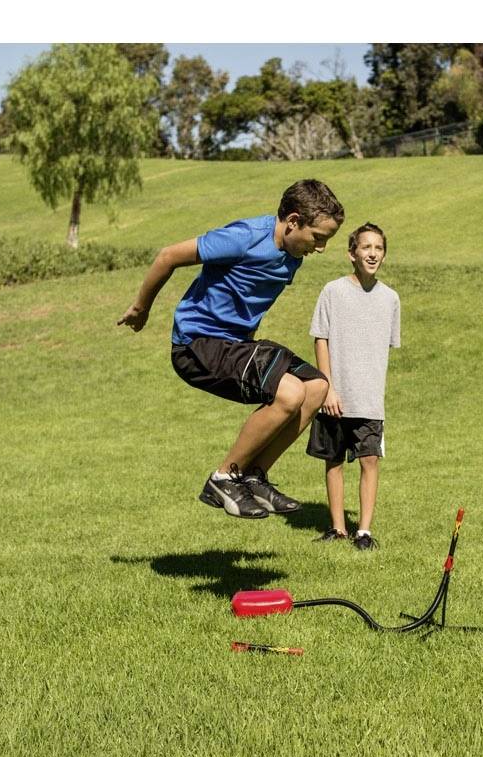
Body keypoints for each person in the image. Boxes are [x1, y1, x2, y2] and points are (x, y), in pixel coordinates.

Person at [117, 179, 344, 519]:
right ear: (293, 221)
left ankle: (254, 475)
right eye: (318, 237)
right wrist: (141, 307)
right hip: (197, 344)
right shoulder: (244, 237)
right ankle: (224, 478)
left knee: (316, 388)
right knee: (289, 394)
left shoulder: (292, 254)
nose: (321, 247)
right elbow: (168, 256)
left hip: (235, 345)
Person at [306, 222, 400, 550]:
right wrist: (327, 388)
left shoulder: (390, 299)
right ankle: (337, 528)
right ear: (352, 253)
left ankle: (364, 532)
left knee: (369, 460)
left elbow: (380, 350)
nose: (372, 253)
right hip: (334, 396)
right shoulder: (333, 291)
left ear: (383, 256)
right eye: (366, 247)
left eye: (378, 248)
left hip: (369, 400)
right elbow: (321, 339)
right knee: (332, 460)